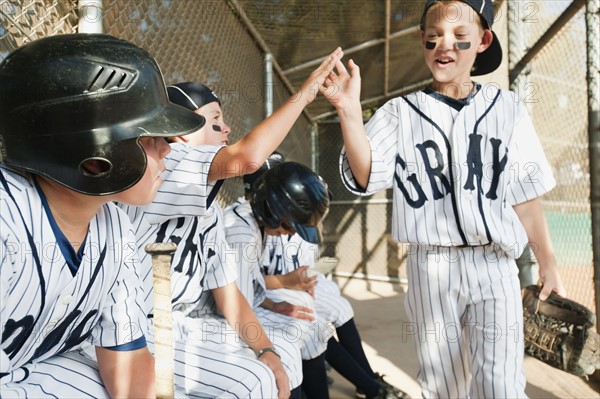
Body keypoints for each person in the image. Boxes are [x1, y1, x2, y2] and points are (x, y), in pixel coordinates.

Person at [321, 0, 566, 397]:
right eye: (433, 39)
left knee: (501, 384)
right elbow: (366, 175)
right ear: (422, 41)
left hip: (496, 264)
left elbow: (525, 197)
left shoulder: (508, 109)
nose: (444, 47)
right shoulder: (400, 112)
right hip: (431, 265)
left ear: (484, 41)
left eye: (459, 37)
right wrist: (350, 113)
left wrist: (548, 261)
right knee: (442, 385)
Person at [116, 53, 342, 399]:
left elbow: (229, 293)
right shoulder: (165, 164)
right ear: (178, 133)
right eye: (215, 120)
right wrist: (305, 94)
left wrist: (266, 350)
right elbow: (247, 158)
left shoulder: (210, 210)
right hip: (136, 325)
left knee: (279, 360)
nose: (226, 128)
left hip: (184, 322)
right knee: (254, 380)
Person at [0, 34, 205, 398]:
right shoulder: (6, 218)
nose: (167, 151)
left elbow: (128, 366)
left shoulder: (115, 227)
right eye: (150, 136)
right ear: (94, 153)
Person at [246, 154, 409, 399]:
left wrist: (305, 281)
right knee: (314, 324)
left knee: (336, 306)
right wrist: (288, 283)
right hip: (269, 291)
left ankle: (366, 380)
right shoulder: (254, 224)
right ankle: (367, 384)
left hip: (286, 285)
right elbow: (251, 284)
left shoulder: (284, 223)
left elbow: (304, 264)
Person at [223, 162, 332, 399]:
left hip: (244, 307)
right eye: (287, 225)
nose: (291, 233)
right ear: (269, 209)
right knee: (288, 358)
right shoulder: (242, 235)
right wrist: (265, 348)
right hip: (220, 320)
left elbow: (244, 286)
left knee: (313, 332)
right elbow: (232, 307)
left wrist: (273, 305)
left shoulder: (252, 219)